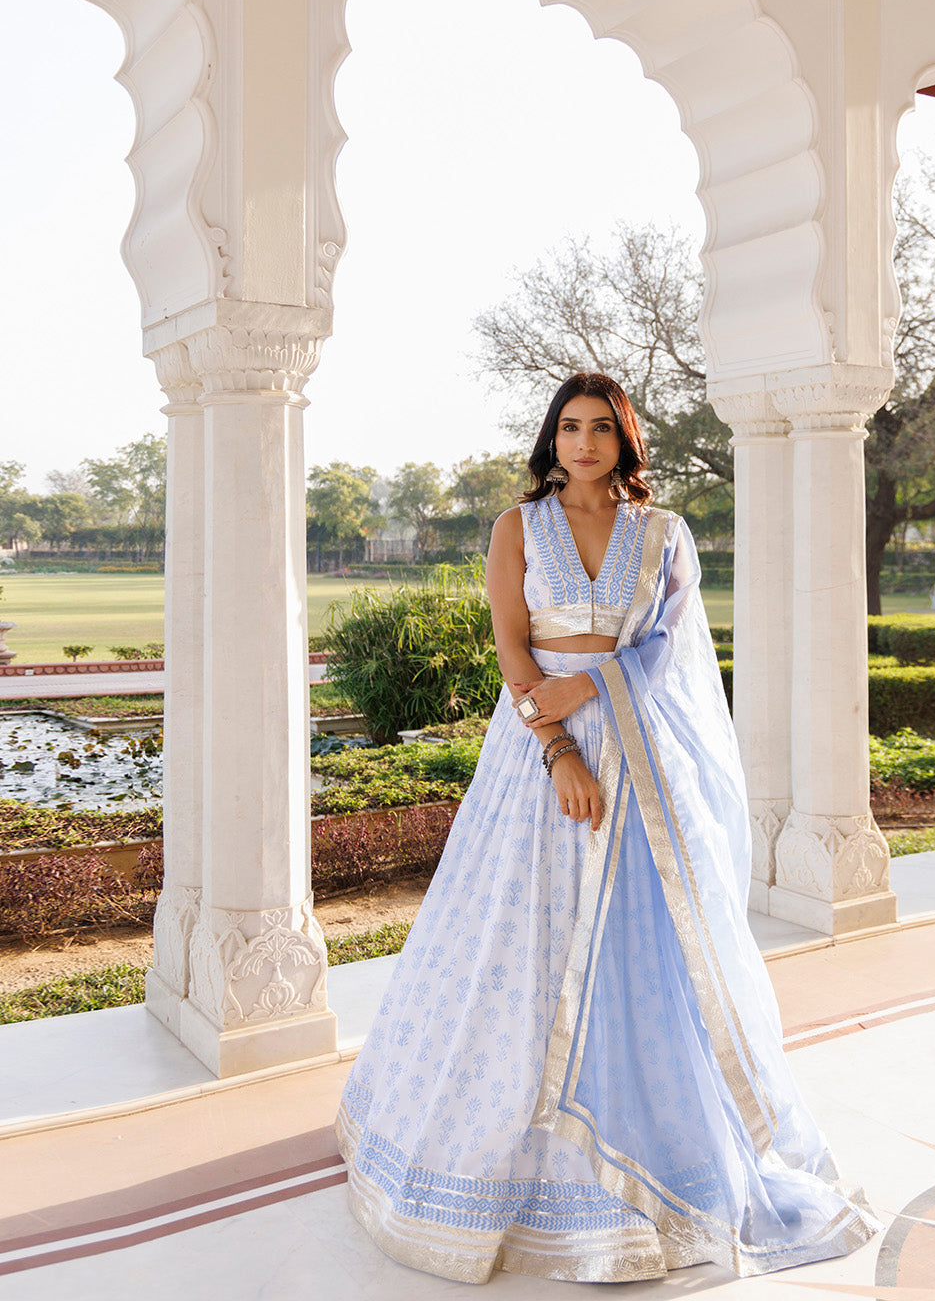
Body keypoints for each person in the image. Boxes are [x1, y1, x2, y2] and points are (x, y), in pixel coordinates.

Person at [336, 373, 879, 1285]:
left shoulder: (663, 534)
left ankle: (657, 1162)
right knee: (518, 940)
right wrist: (557, 747)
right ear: (551, 438)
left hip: (642, 757)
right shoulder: (518, 528)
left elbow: (670, 646)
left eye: (600, 429)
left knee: (651, 946)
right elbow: (513, 645)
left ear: (625, 442)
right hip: (537, 755)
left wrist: (591, 687)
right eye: (569, 427)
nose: (582, 443)